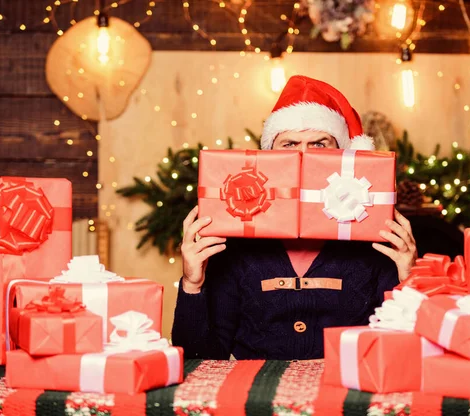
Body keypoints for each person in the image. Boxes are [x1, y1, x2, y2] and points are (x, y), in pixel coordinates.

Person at [172, 75, 417, 360]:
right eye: (289, 144)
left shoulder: (373, 239)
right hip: (257, 396)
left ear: (344, 154)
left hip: (345, 392)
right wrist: (192, 284)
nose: (303, 156)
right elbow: (199, 358)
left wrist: (409, 281)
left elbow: (404, 355)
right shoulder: (236, 241)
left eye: (319, 144)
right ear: (269, 155)